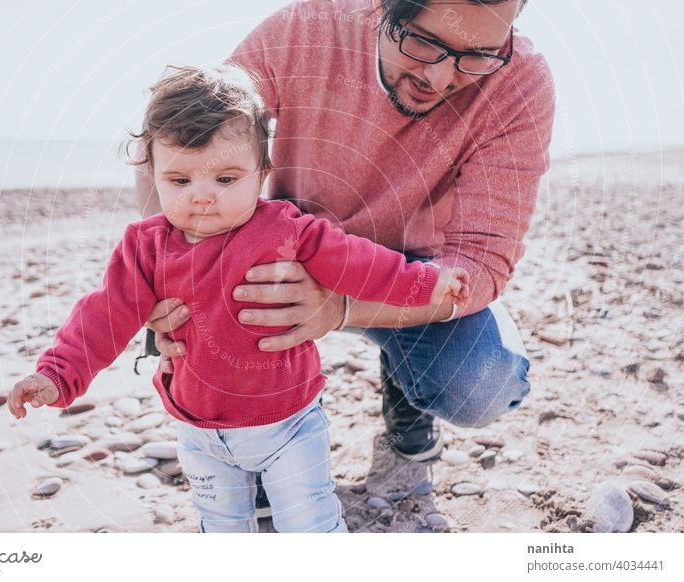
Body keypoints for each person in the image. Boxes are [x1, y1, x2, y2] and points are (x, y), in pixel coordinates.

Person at [7, 64, 470, 533]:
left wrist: (425, 283)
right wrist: (56, 374)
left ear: (262, 172)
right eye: (181, 181)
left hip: (289, 423)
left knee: (311, 524)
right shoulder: (146, 246)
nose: (203, 196)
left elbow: (359, 263)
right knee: (223, 528)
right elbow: (104, 314)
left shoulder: (285, 228)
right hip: (198, 430)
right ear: (153, 175)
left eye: (226, 179)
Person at [136, 0, 554, 470]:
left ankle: (405, 387)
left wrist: (341, 309)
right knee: (220, 277)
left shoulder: (519, 83)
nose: (438, 79)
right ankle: (256, 444)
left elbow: (479, 266)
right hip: (290, 252)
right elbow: (175, 135)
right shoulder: (308, 27)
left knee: (482, 383)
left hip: (414, 272)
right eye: (423, 41)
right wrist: (166, 275)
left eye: (477, 55)